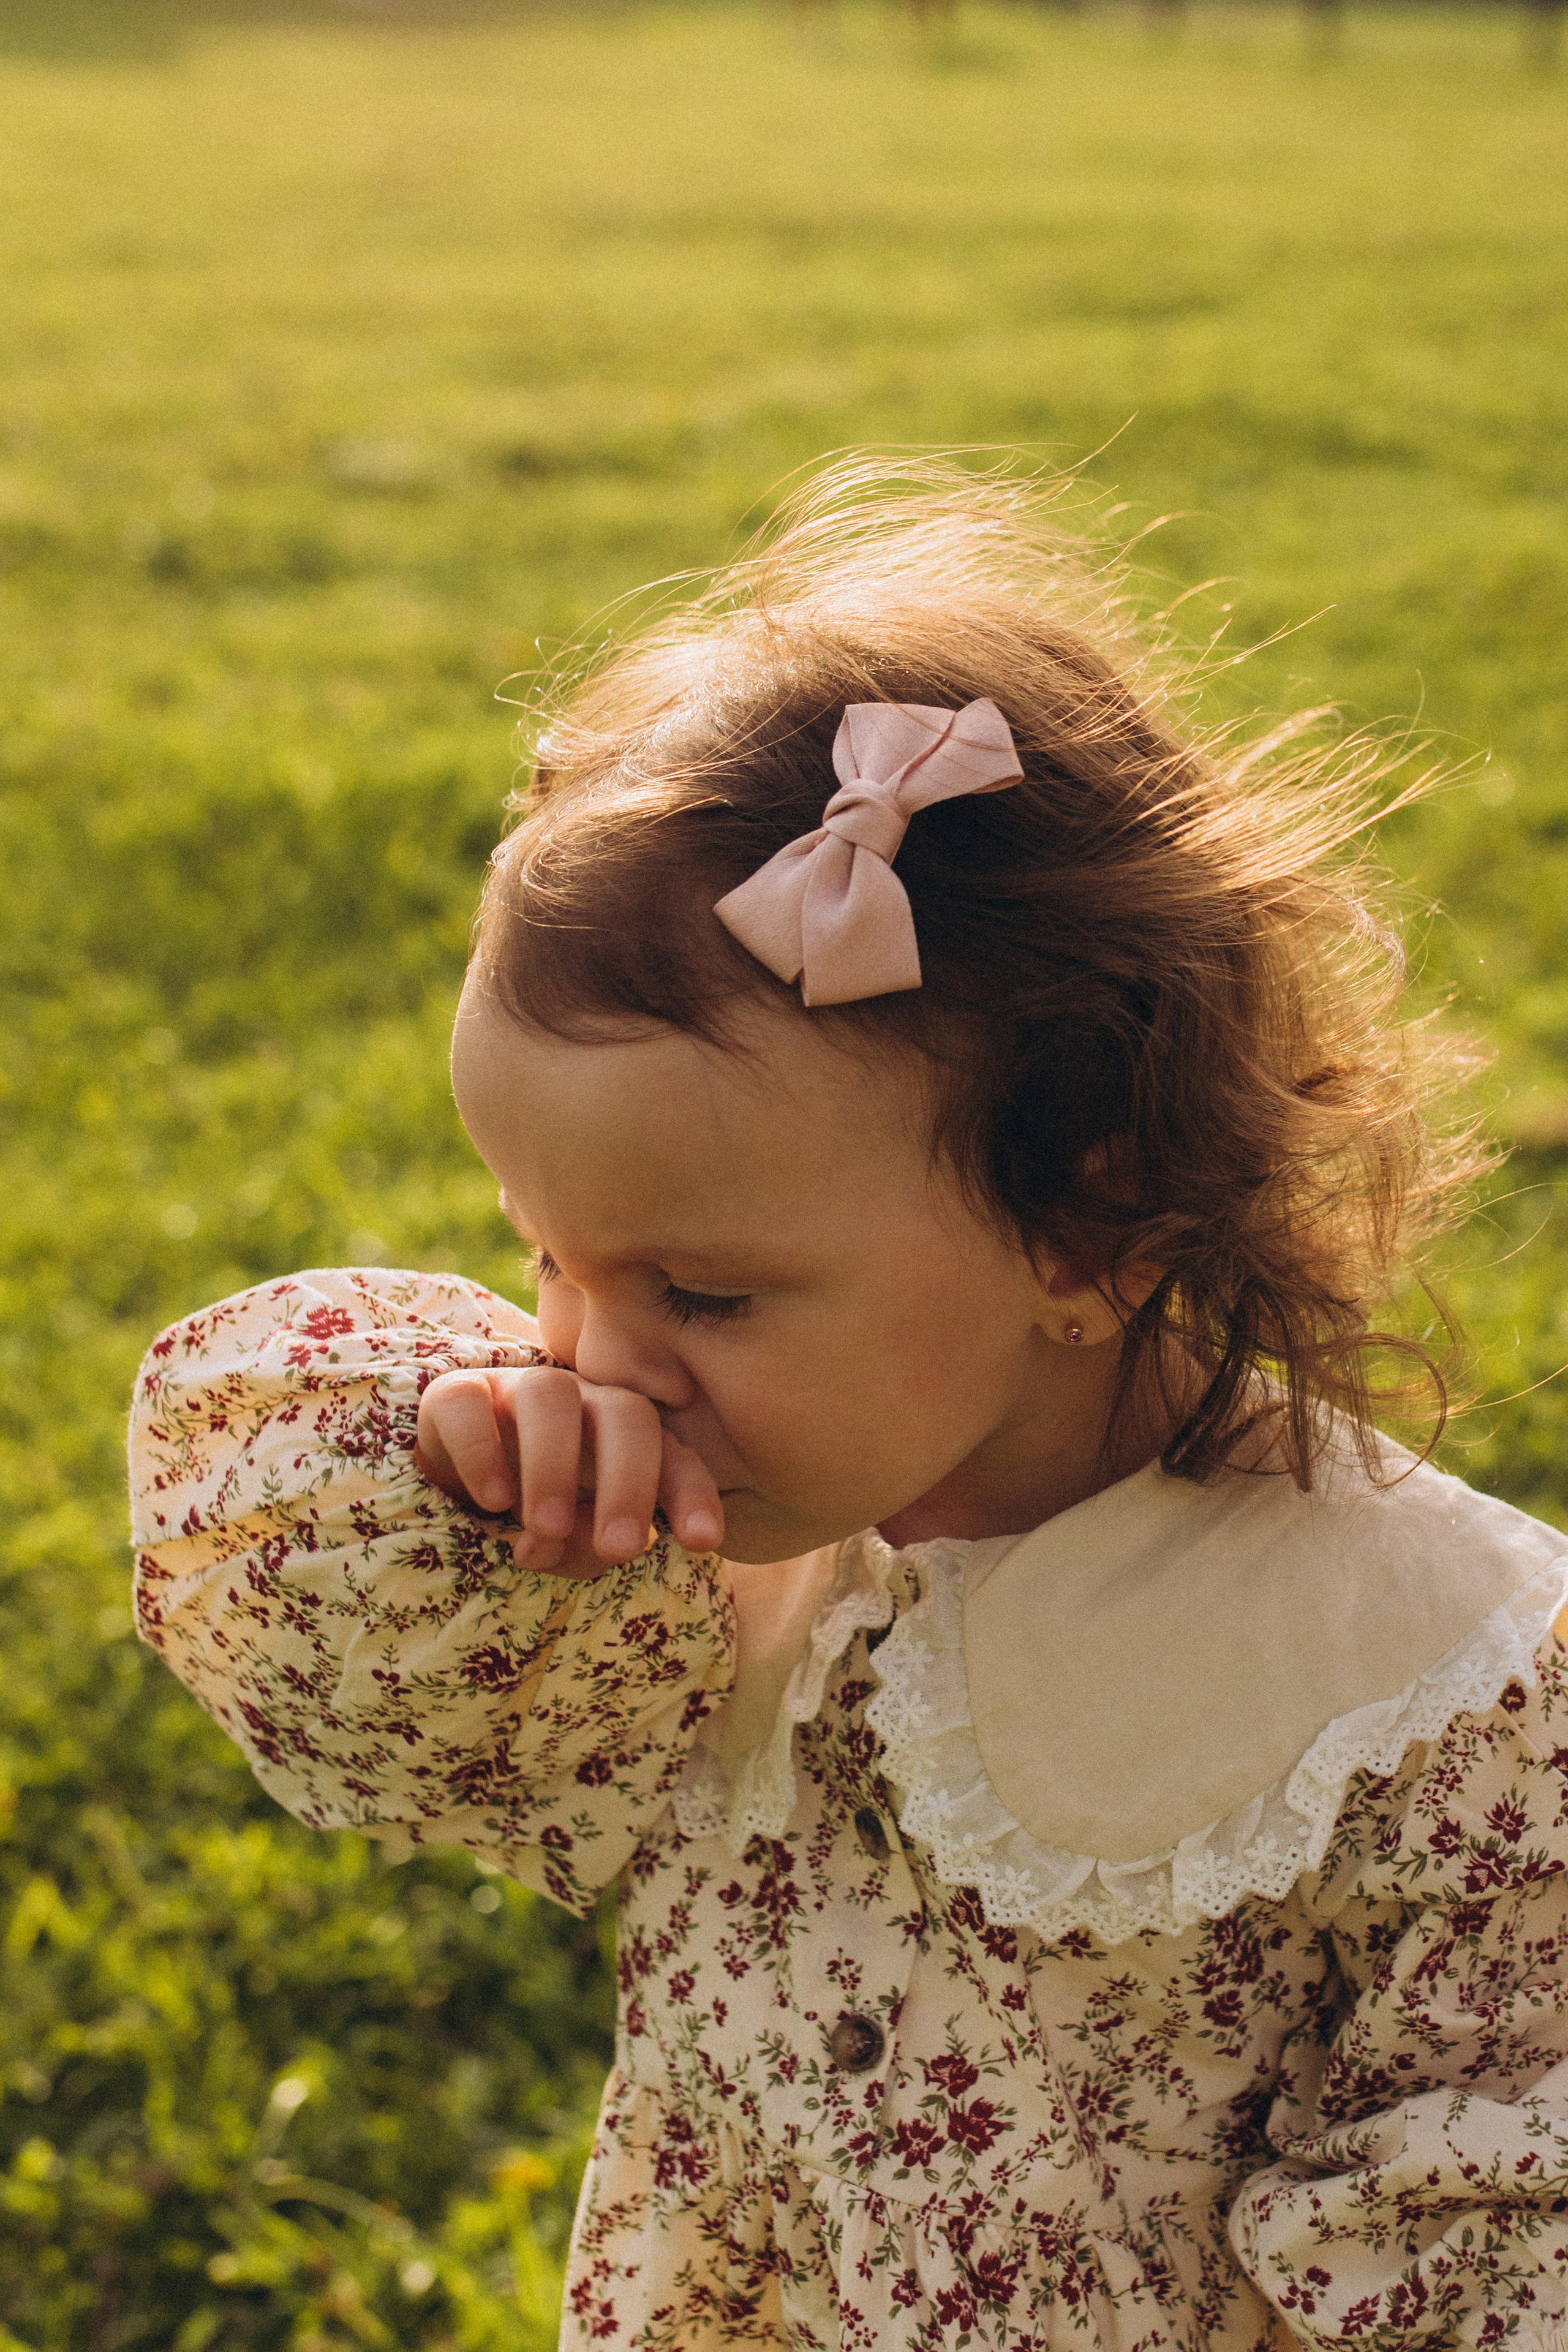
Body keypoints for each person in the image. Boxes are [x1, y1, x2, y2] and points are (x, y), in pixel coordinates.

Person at [130, 458, 1568, 2352]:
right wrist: (444, 1485)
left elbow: (1493, 2225)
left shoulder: (1434, 1700)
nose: (587, 1356)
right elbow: (362, 1697)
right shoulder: (685, 1586)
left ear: (1094, 1223)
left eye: (700, 1293)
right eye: (549, 1260)